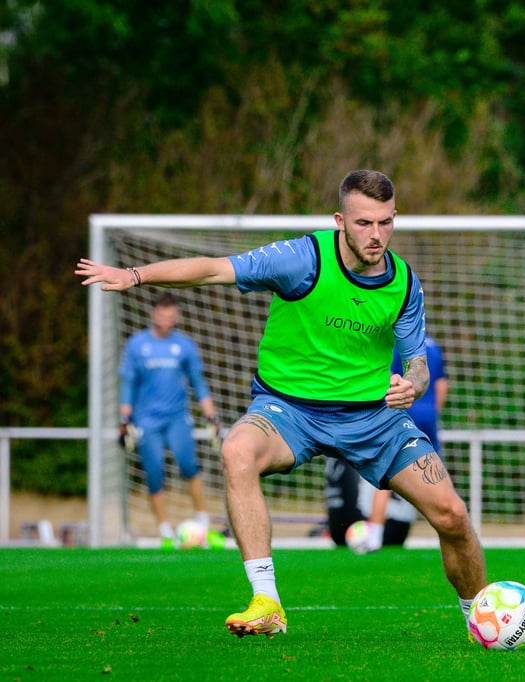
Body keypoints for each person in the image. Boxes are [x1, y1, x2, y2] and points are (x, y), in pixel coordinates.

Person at [77, 169, 486, 639]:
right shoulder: (300, 259)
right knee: (236, 451)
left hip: (373, 419)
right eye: (364, 223)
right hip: (289, 413)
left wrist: (411, 385)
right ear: (339, 220)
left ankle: (482, 617)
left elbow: (418, 365)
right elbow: (214, 268)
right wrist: (134, 275)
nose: (376, 235)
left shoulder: (405, 284)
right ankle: (266, 600)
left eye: (386, 223)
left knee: (452, 516)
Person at [324, 333, 449, 550]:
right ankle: (450, 531)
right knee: (436, 473)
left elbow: (387, 379)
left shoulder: (394, 345)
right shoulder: (433, 347)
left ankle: (375, 533)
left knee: (387, 476)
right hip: (428, 416)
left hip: (404, 411)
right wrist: (431, 413)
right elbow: (441, 386)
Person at [118, 292, 222, 549]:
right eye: (162, 315)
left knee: (189, 466)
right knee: (155, 473)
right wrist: (124, 418)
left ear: (176, 317)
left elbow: (198, 384)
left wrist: (212, 416)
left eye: (171, 315)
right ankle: (165, 531)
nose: (166, 319)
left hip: (177, 418)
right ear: (154, 314)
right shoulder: (136, 344)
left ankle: (203, 525)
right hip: (146, 420)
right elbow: (128, 384)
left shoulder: (184, 345)